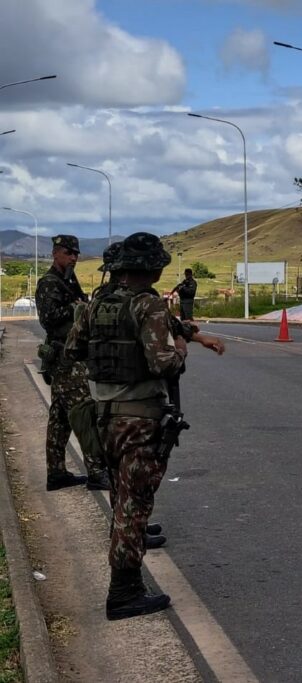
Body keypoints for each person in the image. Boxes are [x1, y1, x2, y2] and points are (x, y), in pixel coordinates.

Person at [67, 232, 223, 620]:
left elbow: (74, 349)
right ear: (153, 268)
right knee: (135, 506)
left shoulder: (98, 303)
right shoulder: (148, 304)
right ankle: (124, 593)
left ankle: (124, 574)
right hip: (138, 418)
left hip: (102, 415)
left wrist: (194, 334)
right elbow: (162, 363)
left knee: (122, 496)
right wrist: (182, 351)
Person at [35, 235, 110, 491]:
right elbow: (48, 319)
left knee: (59, 418)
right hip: (66, 358)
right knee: (83, 414)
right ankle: (97, 473)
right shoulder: (49, 283)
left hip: (70, 355)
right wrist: (75, 307)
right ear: (56, 253)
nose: (74, 258)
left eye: (76, 254)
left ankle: (56, 472)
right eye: (69, 253)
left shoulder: (68, 279)